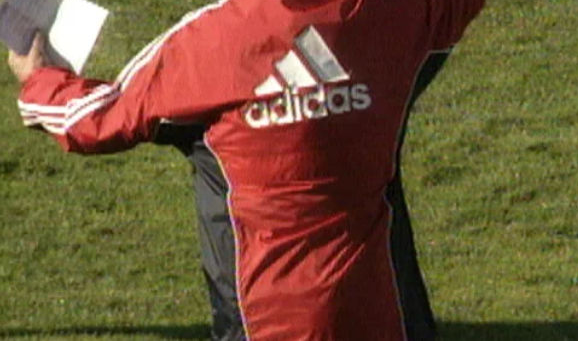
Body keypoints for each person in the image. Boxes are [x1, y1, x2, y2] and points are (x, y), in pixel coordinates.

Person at [9, 0, 507, 341]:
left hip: (262, 322)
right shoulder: (389, 16)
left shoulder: (205, 42)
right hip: (381, 316)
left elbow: (94, 119)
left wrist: (39, 80)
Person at [154, 49, 449, 341]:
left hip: (258, 319)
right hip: (378, 311)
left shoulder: (210, 83)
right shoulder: (381, 68)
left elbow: (122, 111)